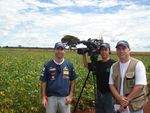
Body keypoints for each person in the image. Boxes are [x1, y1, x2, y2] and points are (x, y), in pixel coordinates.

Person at [109, 40, 148, 113]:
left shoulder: (138, 64)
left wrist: (125, 102)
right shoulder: (113, 66)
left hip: (134, 105)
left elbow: (140, 86)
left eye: (123, 48)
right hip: (118, 104)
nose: (121, 51)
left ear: (129, 50)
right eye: (119, 49)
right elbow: (111, 85)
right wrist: (119, 98)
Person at [40, 42, 77, 113]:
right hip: (51, 98)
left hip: (65, 97)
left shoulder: (69, 64)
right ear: (54, 50)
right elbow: (43, 82)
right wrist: (43, 97)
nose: (59, 51)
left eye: (61, 49)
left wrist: (71, 95)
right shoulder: (47, 65)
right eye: (57, 49)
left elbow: (73, 80)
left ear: (64, 51)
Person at [82, 43, 115, 113]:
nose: (103, 52)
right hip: (99, 93)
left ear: (109, 51)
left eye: (105, 50)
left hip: (110, 94)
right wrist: (83, 54)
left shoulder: (114, 64)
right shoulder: (98, 63)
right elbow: (86, 65)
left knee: (109, 111)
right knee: (99, 111)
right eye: (102, 50)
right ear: (100, 52)